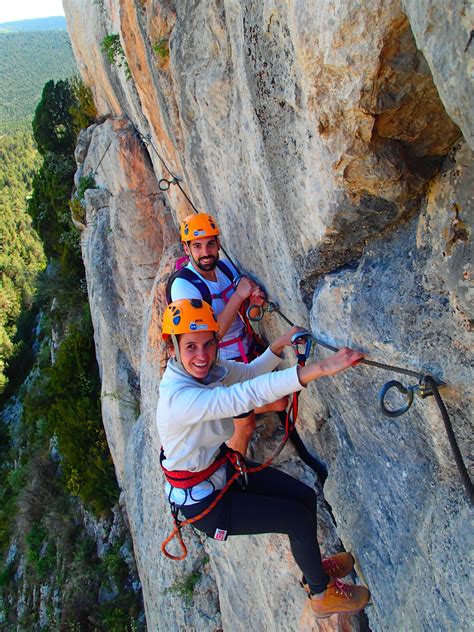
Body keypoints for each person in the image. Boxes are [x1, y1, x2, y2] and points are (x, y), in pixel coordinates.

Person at [156, 298, 370, 618]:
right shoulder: (179, 397)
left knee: (304, 496)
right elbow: (243, 396)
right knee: (295, 519)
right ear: (173, 347)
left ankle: (313, 568)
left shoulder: (210, 370)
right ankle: (320, 594)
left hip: (223, 470)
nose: (202, 355)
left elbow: (247, 374)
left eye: (208, 344)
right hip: (205, 505)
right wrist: (319, 368)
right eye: (190, 347)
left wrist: (279, 345)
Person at [168, 212, 287, 456]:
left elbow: (243, 308)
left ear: (218, 243)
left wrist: (253, 301)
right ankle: (231, 469)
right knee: (248, 422)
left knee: (280, 399)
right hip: (216, 365)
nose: (205, 252)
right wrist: (240, 295)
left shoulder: (223, 267)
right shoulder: (184, 286)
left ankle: (221, 413)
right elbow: (209, 337)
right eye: (197, 246)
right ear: (186, 248)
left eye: (211, 243)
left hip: (244, 353)